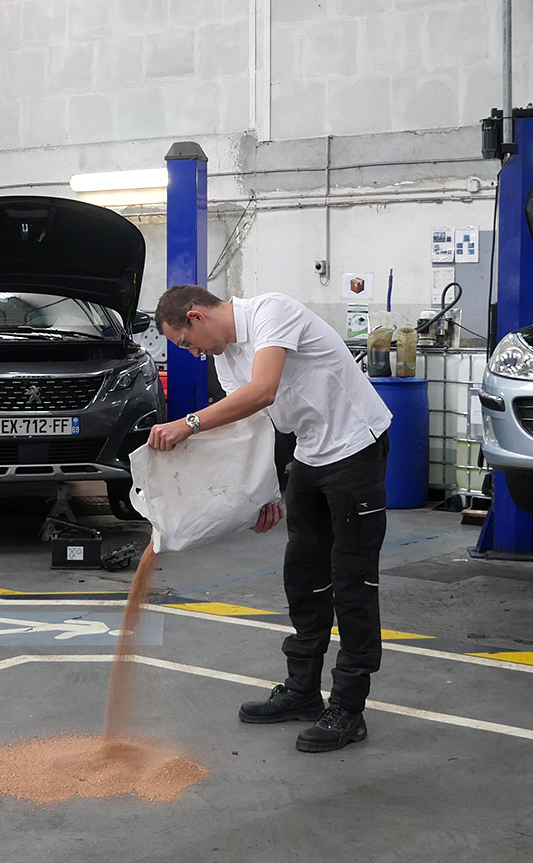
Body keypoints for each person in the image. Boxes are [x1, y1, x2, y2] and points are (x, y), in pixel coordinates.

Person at [147, 284, 393, 753]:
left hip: (355, 449)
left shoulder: (271, 313)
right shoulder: (225, 357)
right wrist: (265, 494)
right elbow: (254, 429)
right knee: (303, 575)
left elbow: (263, 391)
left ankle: (349, 708)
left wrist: (188, 423)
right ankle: (303, 691)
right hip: (309, 453)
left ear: (196, 316)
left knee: (351, 581)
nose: (193, 353)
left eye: (186, 342)